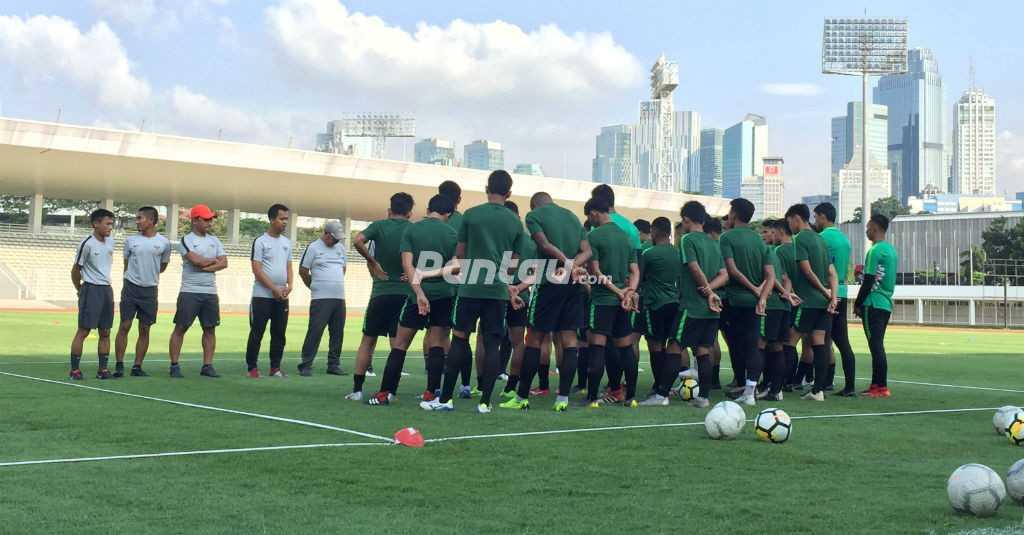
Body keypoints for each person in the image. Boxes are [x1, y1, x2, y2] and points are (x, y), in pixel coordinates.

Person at [421, 170, 526, 413]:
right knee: (492, 345)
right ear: (509, 192)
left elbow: (460, 253)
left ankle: (445, 399)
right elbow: (514, 262)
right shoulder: (514, 222)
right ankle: (485, 402)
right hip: (497, 291)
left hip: (469, 288)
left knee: (459, 339)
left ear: (487, 188)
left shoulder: (471, 214)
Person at [500, 191, 590, 412]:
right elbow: (587, 251)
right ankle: (562, 399)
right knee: (569, 341)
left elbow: (545, 245)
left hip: (550, 283)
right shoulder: (571, 215)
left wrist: (566, 264)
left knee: (535, 339)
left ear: (533, 206)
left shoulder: (534, 217)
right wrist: (572, 266)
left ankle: (521, 398)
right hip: (572, 284)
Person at [370, 194, 458, 405]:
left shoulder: (412, 229)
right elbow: (455, 266)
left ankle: (386, 393)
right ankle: (431, 393)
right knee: (437, 343)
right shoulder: (453, 233)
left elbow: (407, 266)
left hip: (415, 295)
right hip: (444, 294)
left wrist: (418, 292)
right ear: (449, 213)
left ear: (428, 209)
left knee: (400, 344)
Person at [346, 193, 414, 400]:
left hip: (380, 292)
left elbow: (357, 240)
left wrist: (373, 262)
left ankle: (357, 390)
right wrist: (411, 270)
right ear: (410, 212)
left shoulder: (379, 226)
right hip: (403, 294)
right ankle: (390, 390)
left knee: (368, 340)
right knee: (397, 344)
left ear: (389, 209)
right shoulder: (413, 229)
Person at [583, 196, 640, 408]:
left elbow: (596, 272)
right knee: (625, 347)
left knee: (597, 346)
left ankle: (592, 398)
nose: (590, 220)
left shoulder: (594, 236)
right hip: (622, 302)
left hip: (603, 300)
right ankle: (631, 396)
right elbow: (635, 270)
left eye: (590, 216)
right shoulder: (626, 236)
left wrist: (618, 292)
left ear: (595, 213)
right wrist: (629, 292)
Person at [719, 198, 775, 406]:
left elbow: (731, 270)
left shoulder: (727, 238)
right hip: (755, 303)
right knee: (753, 346)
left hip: (734, 300)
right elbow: (770, 274)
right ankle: (750, 390)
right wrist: (761, 297)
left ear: (733, 214)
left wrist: (753, 289)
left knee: (736, 345)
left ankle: (743, 385)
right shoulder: (759, 240)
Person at [784, 203, 839, 401]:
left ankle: (783, 384)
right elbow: (832, 272)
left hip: (807, 301)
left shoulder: (799, 240)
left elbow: (807, 271)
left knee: (789, 341)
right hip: (823, 304)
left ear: (796, 218)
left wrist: (824, 293)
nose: (788, 225)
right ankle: (818, 390)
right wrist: (832, 296)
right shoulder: (821, 239)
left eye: (789, 221)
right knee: (819, 342)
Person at [675, 201, 728, 408]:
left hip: (692, 306)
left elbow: (694, 268)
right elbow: (724, 274)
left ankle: (660, 394)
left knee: (674, 346)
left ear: (687, 219)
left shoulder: (687, 239)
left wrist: (706, 290)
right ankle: (704, 397)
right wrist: (711, 291)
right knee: (703, 350)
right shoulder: (713, 243)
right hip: (711, 309)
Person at [169, 204, 227, 378]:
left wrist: (206, 264)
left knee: (210, 329)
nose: (210, 222)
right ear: (195, 220)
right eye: (206, 219)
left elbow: (224, 263)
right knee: (181, 327)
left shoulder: (215, 240)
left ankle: (207, 365)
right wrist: (212, 261)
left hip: (210, 291)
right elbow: (197, 262)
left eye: (211, 219)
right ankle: (174, 365)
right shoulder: (186, 240)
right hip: (190, 291)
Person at [113, 206, 170, 377]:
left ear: (151, 221)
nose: (137, 221)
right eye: (136, 218)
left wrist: (149, 276)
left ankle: (137, 366)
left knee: (145, 329)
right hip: (130, 287)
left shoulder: (164, 243)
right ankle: (119, 364)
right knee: (125, 325)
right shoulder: (130, 241)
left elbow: (163, 266)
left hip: (150, 290)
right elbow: (126, 263)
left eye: (140, 218)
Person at [637, 217, 682, 406]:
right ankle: (665, 387)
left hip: (654, 304)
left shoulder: (649, 253)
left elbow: (638, 277)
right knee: (671, 345)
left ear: (654, 231)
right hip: (675, 303)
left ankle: (659, 389)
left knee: (656, 345)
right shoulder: (678, 253)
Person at [813, 202, 857, 396]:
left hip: (825, 293)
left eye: (816, 217)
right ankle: (849, 386)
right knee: (842, 342)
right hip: (842, 292)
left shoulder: (821, 238)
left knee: (821, 340)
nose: (815, 221)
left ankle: (820, 384)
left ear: (823, 216)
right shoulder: (844, 239)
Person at [245, 204, 293, 378]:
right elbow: (257, 270)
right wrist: (273, 289)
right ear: (272, 219)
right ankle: (252, 367)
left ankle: (275, 367)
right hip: (262, 296)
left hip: (281, 297)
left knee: (279, 333)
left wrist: (290, 286)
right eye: (282, 219)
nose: (284, 222)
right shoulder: (260, 241)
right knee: (257, 332)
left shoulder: (287, 243)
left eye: (286, 219)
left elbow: (289, 266)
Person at [69, 208, 116, 380]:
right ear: (96, 224)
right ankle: (75, 370)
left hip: (106, 290)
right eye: (107, 223)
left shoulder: (111, 242)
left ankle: (102, 370)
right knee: (84, 330)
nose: (110, 227)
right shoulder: (86, 243)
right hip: (91, 288)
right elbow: (76, 270)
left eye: (112, 224)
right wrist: (79, 288)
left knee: (105, 331)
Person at [854, 213, 897, 398]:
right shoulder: (891, 250)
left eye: (868, 227)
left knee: (876, 345)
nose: (866, 231)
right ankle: (877, 385)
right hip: (885, 303)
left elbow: (870, 280)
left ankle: (880, 386)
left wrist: (858, 303)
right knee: (877, 344)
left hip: (873, 303)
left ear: (875, 228)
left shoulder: (875, 250)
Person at [297, 220, 348, 376]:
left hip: (339, 297)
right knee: (315, 331)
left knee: (337, 332)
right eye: (334, 237)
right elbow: (303, 270)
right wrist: (313, 286)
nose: (337, 240)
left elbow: (343, 268)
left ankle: (333, 364)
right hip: (320, 298)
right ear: (326, 234)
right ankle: (306, 365)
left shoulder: (340, 248)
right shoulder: (313, 248)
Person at [758, 220, 797, 401]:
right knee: (778, 346)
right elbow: (786, 278)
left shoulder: (773, 252)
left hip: (773, 304)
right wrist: (787, 293)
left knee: (761, 344)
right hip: (784, 306)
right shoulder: (781, 251)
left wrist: (783, 293)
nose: (764, 235)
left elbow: (772, 279)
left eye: (767, 232)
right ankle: (776, 389)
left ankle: (757, 386)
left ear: (776, 232)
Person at [770, 218, 802, 391]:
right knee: (793, 343)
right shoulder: (798, 249)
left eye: (773, 232)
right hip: (800, 299)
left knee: (782, 343)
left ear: (781, 232)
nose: (772, 236)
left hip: (785, 298)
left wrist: (786, 292)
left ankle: (779, 381)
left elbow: (779, 276)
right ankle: (790, 380)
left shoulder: (779, 251)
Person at [703, 216, 725, 389]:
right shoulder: (721, 247)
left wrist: (707, 289)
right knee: (714, 340)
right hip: (723, 297)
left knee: (708, 342)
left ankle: (708, 379)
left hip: (709, 298)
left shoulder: (708, 246)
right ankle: (714, 379)